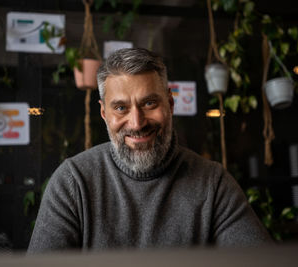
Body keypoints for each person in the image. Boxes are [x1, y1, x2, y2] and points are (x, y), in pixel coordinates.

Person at [27, 48, 272, 253]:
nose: (137, 123)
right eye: (121, 108)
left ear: (170, 103)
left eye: (149, 103)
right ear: (104, 114)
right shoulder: (73, 183)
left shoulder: (213, 184)